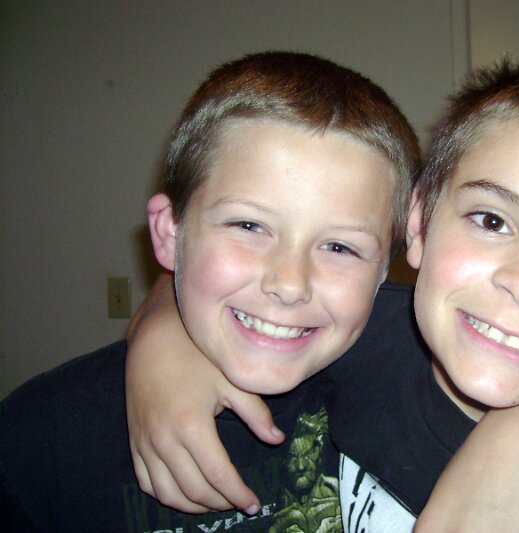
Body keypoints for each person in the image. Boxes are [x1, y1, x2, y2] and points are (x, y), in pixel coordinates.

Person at [127, 59, 519, 531]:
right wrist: (161, 341)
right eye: (492, 220)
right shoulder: (360, 337)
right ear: (418, 225)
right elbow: (209, 272)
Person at [0, 50, 420, 532]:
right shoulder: (37, 441)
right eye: (248, 225)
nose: (289, 284)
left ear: (384, 269)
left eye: (340, 247)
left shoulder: (414, 384)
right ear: (169, 234)